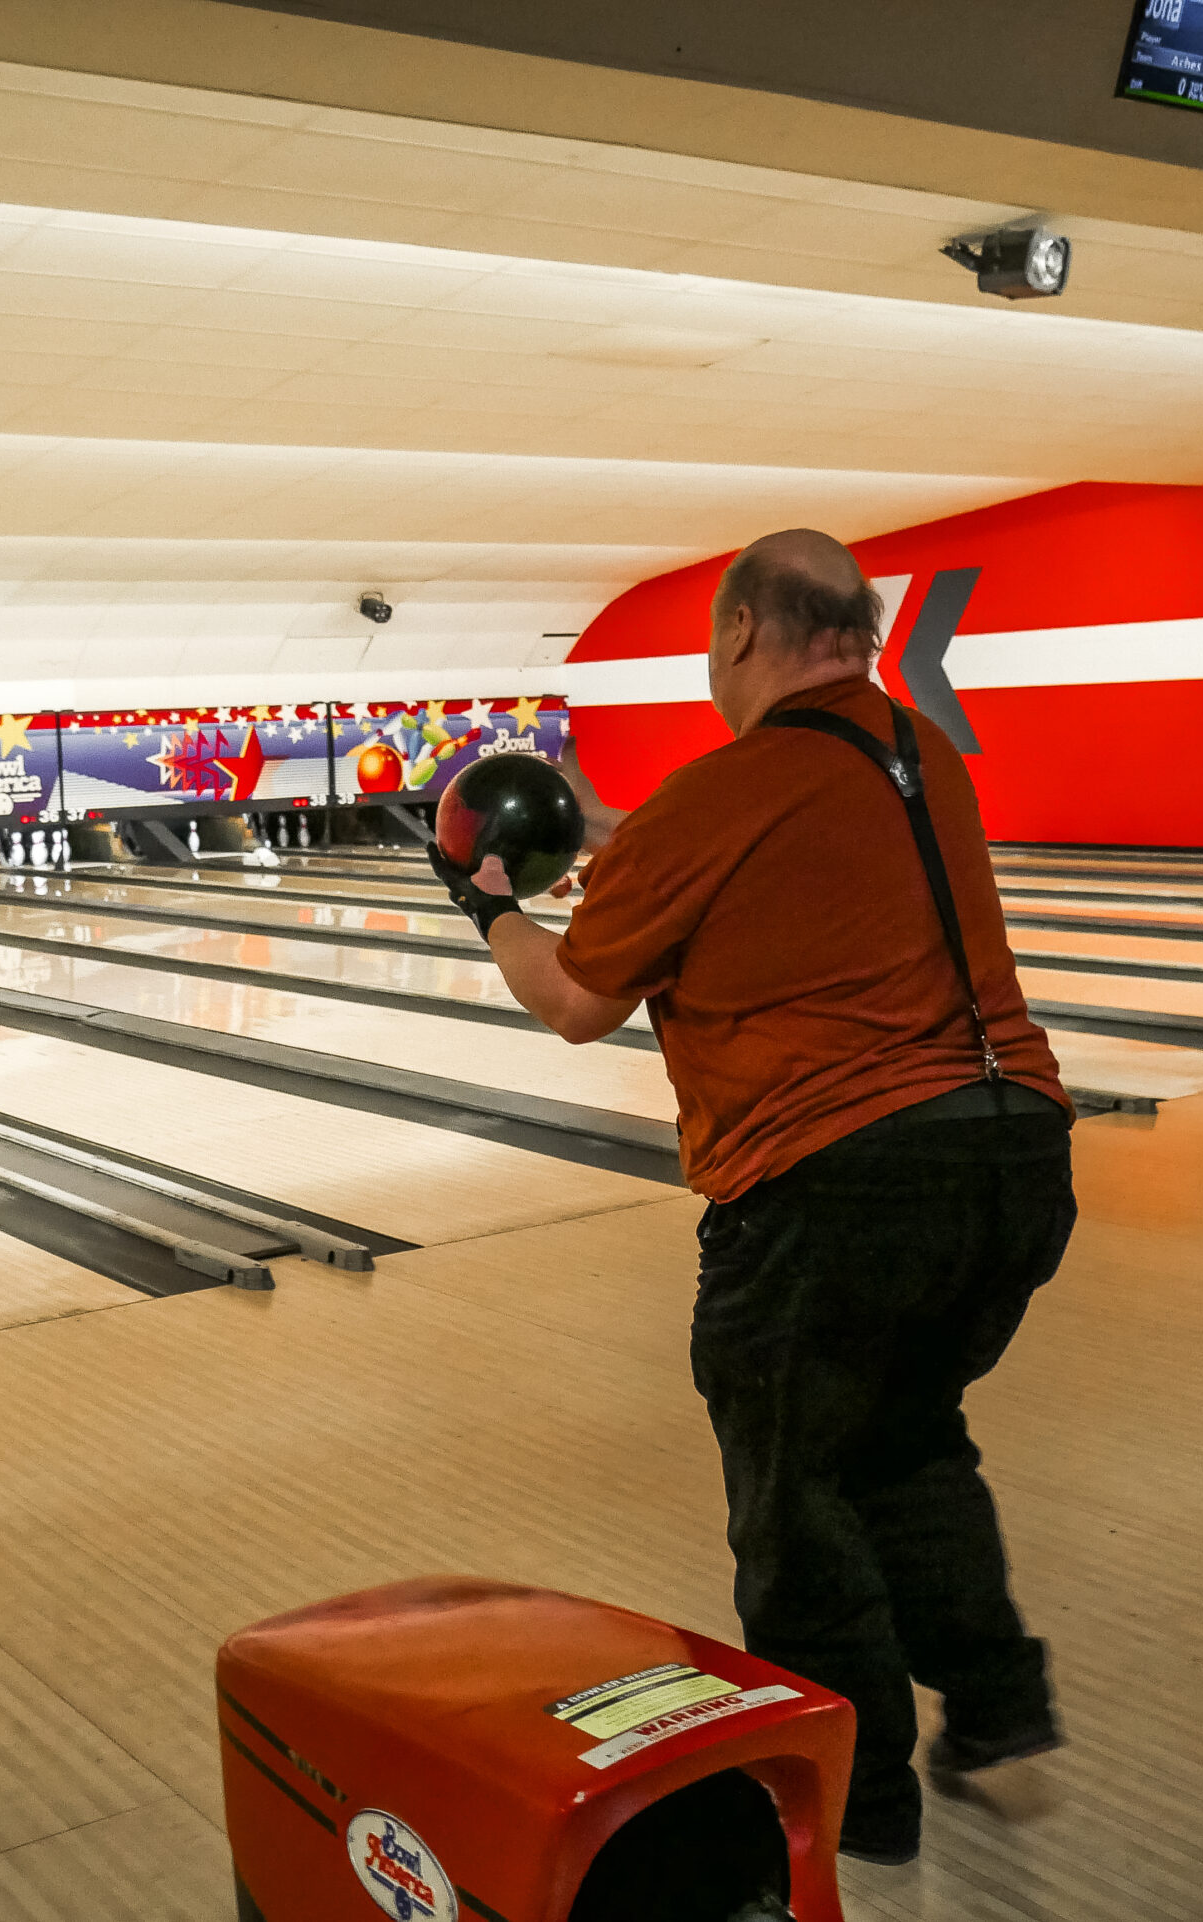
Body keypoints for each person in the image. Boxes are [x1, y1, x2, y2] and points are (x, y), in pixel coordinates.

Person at [429, 529, 1076, 1865]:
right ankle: (1002, 1712)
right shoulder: (919, 757)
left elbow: (572, 998)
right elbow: (758, 857)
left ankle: (857, 1804)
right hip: (1014, 1156)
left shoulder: (720, 791)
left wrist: (483, 899)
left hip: (838, 1187)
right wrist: (625, 835)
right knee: (904, 1437)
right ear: (867, 632)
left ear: (735, 635)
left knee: (794, 1499)